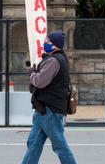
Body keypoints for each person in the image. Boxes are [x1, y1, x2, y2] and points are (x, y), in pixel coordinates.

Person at [22, 30, 77, 164]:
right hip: (45, 110)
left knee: (59, 145)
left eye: (48, 41)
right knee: (34, 144)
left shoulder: (53, 61)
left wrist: (33, 74)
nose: (45, 43)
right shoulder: (58, 59)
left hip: (49, 110)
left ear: (55, 45)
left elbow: (40, 82)